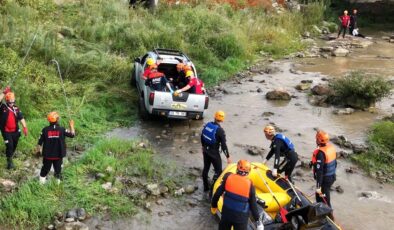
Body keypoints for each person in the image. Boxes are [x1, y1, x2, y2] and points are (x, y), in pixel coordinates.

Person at [211, 160, 264, 230]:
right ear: (248, 172)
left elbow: (217, 194)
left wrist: (214, 206)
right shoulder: (250, 185)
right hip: (241, 218)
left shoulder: (228, 178)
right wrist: (258, 221)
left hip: (226, 214)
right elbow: (253, 205)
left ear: (237, 169)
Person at [36, 112, 75, 184]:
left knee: (44, 170)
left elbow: (39, 143)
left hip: (47, 156)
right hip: (58, 155)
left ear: (49, 120)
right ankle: (57, 186)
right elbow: (72, 135)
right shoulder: (62, 129)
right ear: (57, 119)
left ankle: (41, 184)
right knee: (58, 171)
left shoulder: (45, 130)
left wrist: (38, 152)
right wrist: (71, 125)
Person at [201, 110, 231, 193]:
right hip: (214, 153)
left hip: (206, 151)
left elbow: (202, 136)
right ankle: (213, 190)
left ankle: (205, 187)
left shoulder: (207, 125)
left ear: (214, 117)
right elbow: (224, 146)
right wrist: (228, 157)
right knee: (218, 171)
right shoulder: (220, 131)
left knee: (206, 168)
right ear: (222, 120)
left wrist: (203, 146)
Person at [0, 87, 28, 169]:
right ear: (7, 101)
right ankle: (9, 162)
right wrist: (4, 93)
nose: (12, 103)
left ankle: (10, 155)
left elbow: (21, 118)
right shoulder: (3, 107)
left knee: (14, 145)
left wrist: (25, 127)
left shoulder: (16, 108)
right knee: (10, 146)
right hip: (6, 131)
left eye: (13, 102)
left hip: (15, 131)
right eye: (10, 102)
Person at [311, 130, 337, 208]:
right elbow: (335, 163)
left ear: (319, 140)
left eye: (316, 139)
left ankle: (329, 214)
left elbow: (319, 171)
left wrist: (318, 186)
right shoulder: (331, 147)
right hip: (332, 176)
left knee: (323, 199)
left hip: (325, 180)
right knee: (320, 196)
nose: (315, 140)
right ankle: (322, 211)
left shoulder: (321, 153)